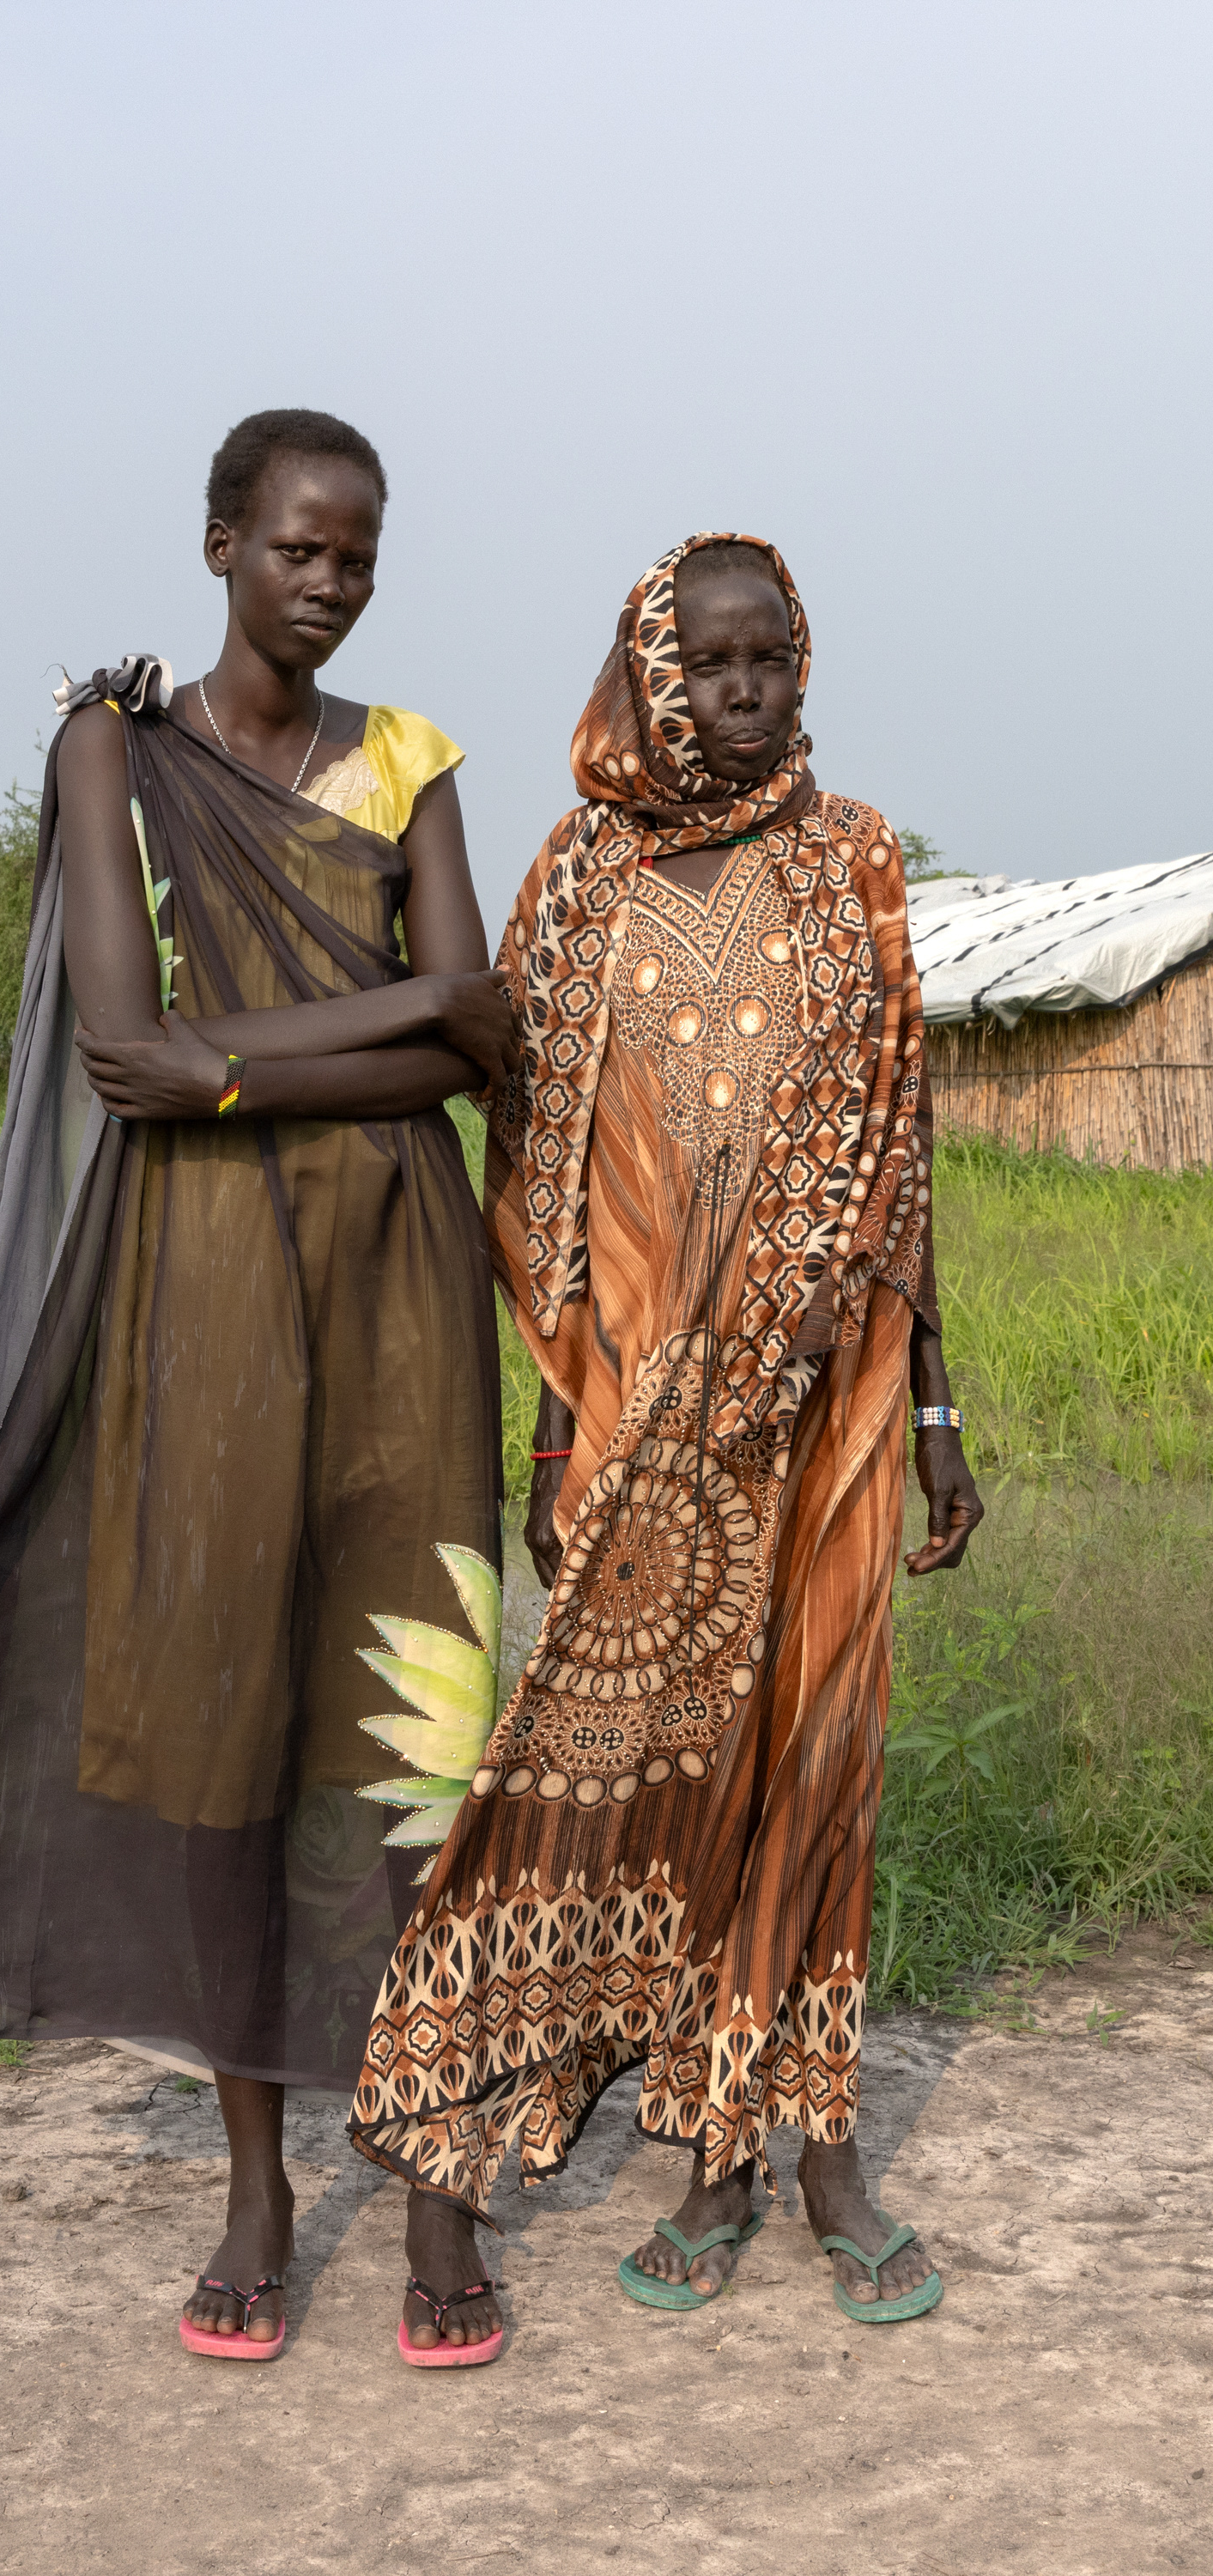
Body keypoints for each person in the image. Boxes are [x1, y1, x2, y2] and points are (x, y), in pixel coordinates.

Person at [0, 407, 517, 2362]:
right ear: (215, 547)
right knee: (213, 1734)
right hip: (189, 1294)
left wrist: (246, 1058)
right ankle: (259, 2192)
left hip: (397, 1290)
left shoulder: (414, 762)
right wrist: (394, 1015)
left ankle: (438, 2184)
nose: (330, 579)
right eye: (295, 546)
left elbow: (473, 1048)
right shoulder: (112, 746)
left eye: (357, 552)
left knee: (411, 1740)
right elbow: (126, 1048)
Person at [349, 531, 982, 2352]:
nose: (746, 687)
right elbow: (542, 1189)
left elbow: (898, 1148)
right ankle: (702, 2148)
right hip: (644, 1417)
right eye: (708, 662)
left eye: (770, 654)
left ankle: (824, 2147)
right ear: (649, 671)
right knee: (665, 1775)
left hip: (839, 1397)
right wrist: (560, 1447)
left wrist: (933, 1408)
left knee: (819, 1762)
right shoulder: (573, 883)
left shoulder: (850, 857)